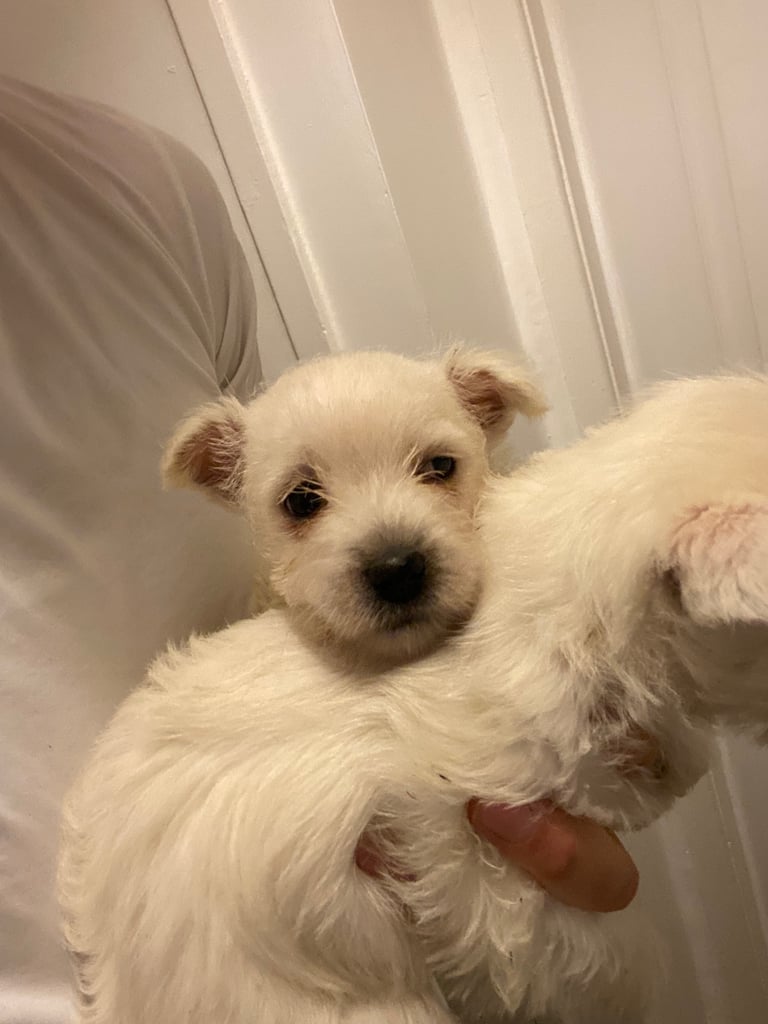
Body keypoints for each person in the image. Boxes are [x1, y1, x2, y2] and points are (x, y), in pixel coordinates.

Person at [0, 75, 636, 1024]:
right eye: (303, 502)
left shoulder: (140, 179)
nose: (390, 546)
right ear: (226, 485)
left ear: (489, 423)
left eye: (435, 469)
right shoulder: (235, 684)